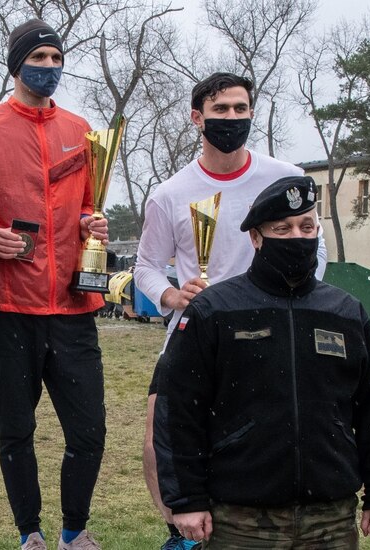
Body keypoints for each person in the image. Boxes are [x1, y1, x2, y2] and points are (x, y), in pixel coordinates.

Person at [153, 176, 370, 548]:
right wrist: (187, 499)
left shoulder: (345, 312)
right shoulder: (215, 311)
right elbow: (178, 410)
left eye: (307, 227)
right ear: (256, 238)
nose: (297, 237)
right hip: (240, 519)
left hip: (331, 517)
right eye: (282, 229)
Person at [133, 72, 327, 550]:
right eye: (221, 110)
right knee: (159, 436)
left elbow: (316, 250)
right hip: (195, 328)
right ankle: (180, 533)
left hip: (272, 327)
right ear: (198, 118)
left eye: (241, 109)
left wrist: (297, 295)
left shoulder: (284, 176)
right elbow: (145, 268)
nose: (232, 118)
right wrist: (173, 296)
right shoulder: (170, 192)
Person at [0, 19, 109, 550]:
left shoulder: (83, 130)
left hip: (74, 305)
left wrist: (91, 223)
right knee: (16, 432)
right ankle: (30, 533)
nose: (50, 67)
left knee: (89, 432)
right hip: (8, 305)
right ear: (16, 65)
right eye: (39, 58)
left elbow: (87, 203)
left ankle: (75, 530)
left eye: (57, 58)